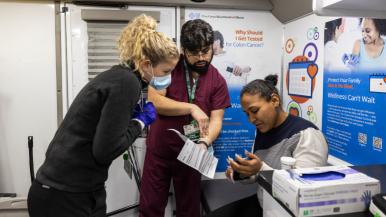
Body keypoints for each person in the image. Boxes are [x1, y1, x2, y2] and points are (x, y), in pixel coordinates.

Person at [27, 14, 179, 217]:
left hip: (81, 188)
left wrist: (128, 120)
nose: (168, 77)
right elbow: (105, 151)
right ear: (145, 64)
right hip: (62, 195)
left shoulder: (117, 76)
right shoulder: (127, 83)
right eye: (166, 71)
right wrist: (139, 122)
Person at [139, 19, 231, 217]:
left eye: (206, 51)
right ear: (183, 50)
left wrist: (205, 142)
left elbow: (217, 120)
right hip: (160, 152)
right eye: (193, 52)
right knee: (150, 208)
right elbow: (155, 102)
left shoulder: (217, 81)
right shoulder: (170, 66)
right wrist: (191, 108)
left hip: (192, 154)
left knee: (189, 210)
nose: (201, 57)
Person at [206, 75, 328, 217]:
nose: (251, 120)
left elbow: (306, 191)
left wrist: (260, 168)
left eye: (255, 111)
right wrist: (243, 173)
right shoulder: (263, 129)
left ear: (275, 100)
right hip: (266, 202)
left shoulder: (307, 135)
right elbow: (259, 176)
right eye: (247, 114)